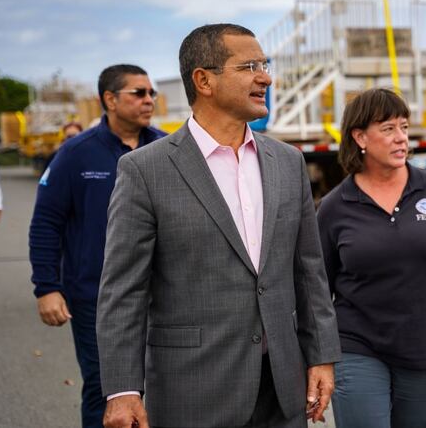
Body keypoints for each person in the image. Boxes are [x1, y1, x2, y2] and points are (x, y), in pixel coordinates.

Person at [96, 23, 341, 428]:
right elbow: (123, 290)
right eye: (248, 66)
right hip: (192, 388)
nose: (266, 76)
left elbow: (309, 270)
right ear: (203, 80)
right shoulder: (145, 169)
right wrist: (123, 390)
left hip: (281, 387)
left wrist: (320, 356)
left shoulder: (288, 161)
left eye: (263, 64)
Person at [317, 88, 426, 428]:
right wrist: (318, 358)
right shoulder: (335, 206)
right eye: (388, 129)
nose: (401, 138)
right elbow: (316, 291)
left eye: (404, 127)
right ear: (360, 136)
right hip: (356, 347)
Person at [28, 64, 164, 428]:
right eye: (139, 93)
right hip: (95, 298)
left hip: (161, 297)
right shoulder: (75, 155)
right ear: (110, 99)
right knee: (108, 391)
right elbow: (46, 223)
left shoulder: (167, 149)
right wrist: (47, 288)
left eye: (151, 93)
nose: (149, 100)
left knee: (163, 389)